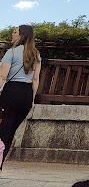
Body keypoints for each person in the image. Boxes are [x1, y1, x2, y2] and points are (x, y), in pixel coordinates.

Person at [0, 24, 41, 167]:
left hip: (11, 92)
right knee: (10, 132)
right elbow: (35, 79)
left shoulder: (11, 53)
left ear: (21, 35)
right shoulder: (36, 54)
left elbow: (2, 76)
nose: (12, 34)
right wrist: (32, 100)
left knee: (3, 131)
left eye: (15, 32)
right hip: (26, 96)